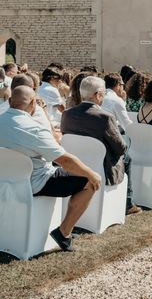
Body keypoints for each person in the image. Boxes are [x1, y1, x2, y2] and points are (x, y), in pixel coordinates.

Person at [0, 86, 101, 252]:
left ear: (10, 101)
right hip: (33, 184)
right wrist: (91, 173)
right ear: (34, 103)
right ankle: (64, 232)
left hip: (3, 181)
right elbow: (65, 161)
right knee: (89, 181)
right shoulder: (34, 128)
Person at [60, 76, 140, 215]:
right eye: (103, 94)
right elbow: (120, 149)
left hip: (75, 163)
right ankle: (128, 203)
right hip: (101, 166)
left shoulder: (67, 114)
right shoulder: (105, 117)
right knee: (127, 155)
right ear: (97, 95)